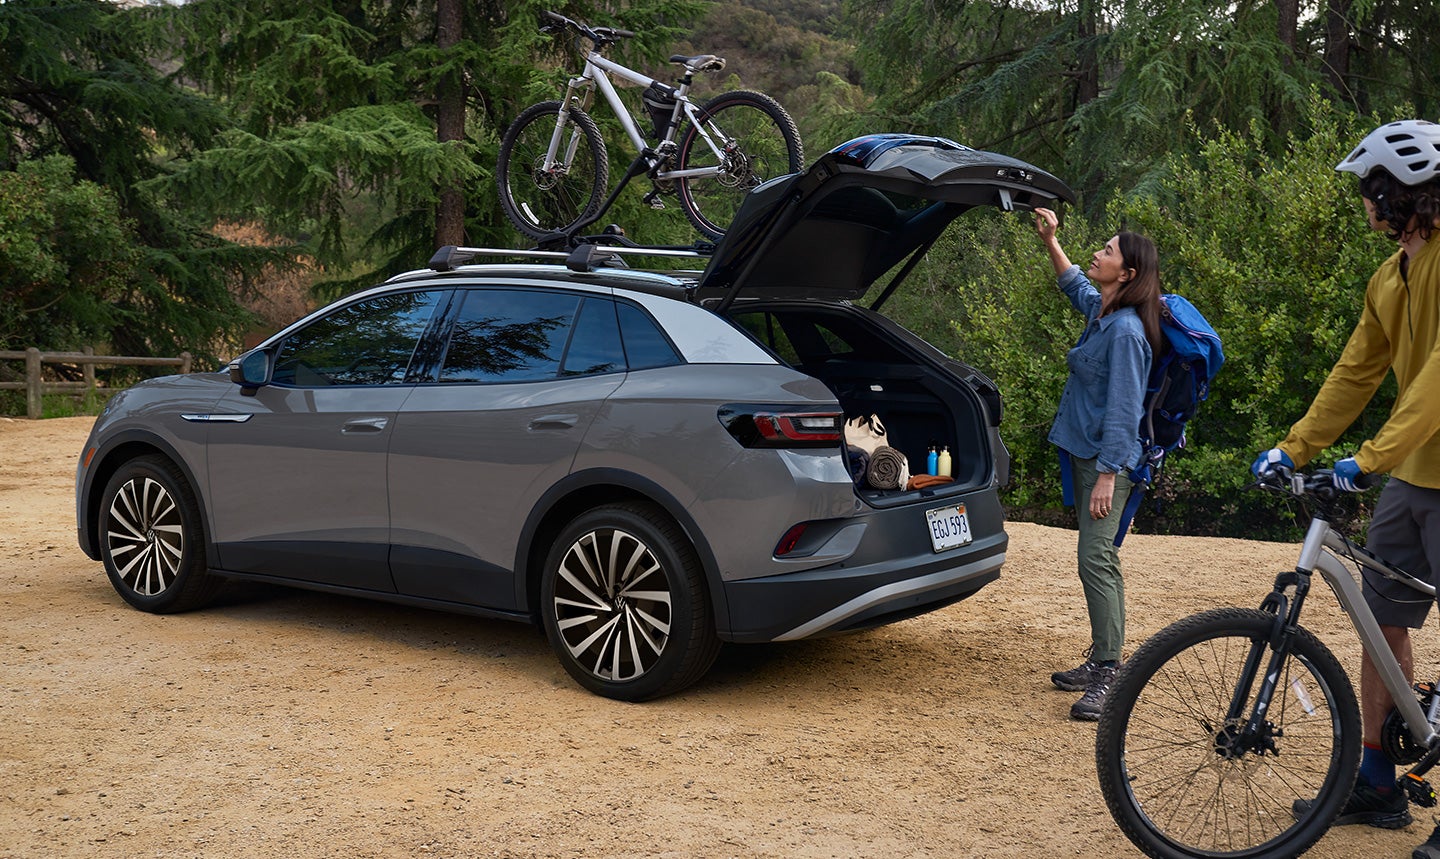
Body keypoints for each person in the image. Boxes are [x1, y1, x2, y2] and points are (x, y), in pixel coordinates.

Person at [1250, 119, 1440, 855]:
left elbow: (1434, 382)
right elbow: (1357, 372)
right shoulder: (1389, 276)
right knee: (1380, 622)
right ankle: (1378, 780)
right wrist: (1293, 445)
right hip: (1412, 477)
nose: (1363, 203)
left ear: (1399, 191)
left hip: (1415, 463)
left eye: (1369, 189)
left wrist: (1366, 458)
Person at [1033, 207, 1163, 721]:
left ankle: (1110, 673)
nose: (1097, 253)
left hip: (1110, 463)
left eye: (1107, 252)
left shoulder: (1127, 332)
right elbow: (1075, 287)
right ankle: (1101, 660)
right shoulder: (1102, 311)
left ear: (1127, 274)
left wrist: (1108, 474)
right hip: (1089, 455)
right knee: (1093, 559)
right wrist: (1051, 240)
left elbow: (1126, 409)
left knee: (1096, 558)